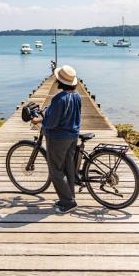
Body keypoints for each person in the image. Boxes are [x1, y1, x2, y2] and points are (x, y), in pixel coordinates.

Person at [32, 64, 81, 214]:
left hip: (58, 138)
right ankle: (69, 196)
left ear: (60, 81)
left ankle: (68, 202)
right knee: (69, 169)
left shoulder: (59, 98)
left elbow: (52, 123)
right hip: (73, 135)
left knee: (56, 171)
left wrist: (38, 121)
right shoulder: (77, 96)